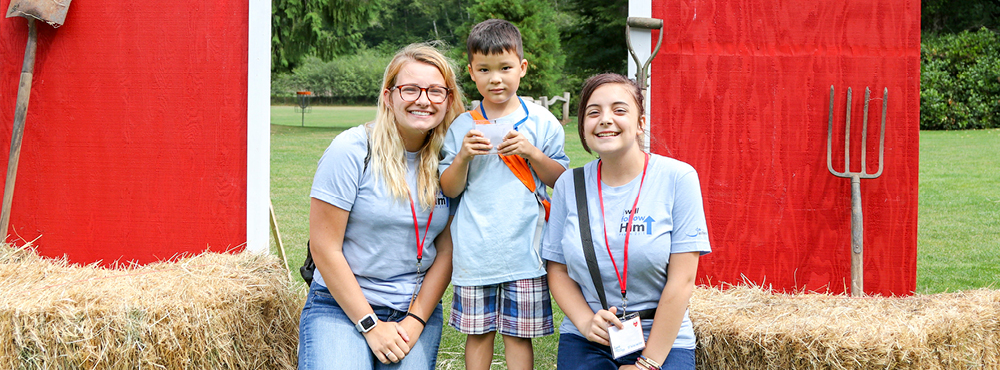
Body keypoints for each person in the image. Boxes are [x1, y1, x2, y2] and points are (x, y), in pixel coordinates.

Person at [298, 43, 465, 370]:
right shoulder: (351, 150)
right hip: (341, 306)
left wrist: (415, 321)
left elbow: (446, 252)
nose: (423, 100)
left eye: (435, 91)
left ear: (448, 100)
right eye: (410, 89)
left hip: (414, 310)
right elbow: (324, 247)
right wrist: (371, 326)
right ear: (388, 96)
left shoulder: (452, 162)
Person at [542, 73, 712, 370]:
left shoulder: (678, 178)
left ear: (641, 123)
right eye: (593, 112)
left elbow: (682, 281)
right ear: (583, 126)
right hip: (589, 338)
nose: (605, 119)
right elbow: (556, 269)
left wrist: (648, 362)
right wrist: (584, 322)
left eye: (619, 110)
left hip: (662, 340)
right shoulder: (569, 184)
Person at [438, 18, 569, 370]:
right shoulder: (462, 126)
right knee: (477, 334)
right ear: (471, 73)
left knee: (517, 335)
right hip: (475, 250)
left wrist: (532, 153)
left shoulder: (541, 122)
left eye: (505, 68)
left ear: (522, 68)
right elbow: (449, 188)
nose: (496, 78)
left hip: (525, 249)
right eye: (485, 69)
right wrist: (464, 155)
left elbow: (561, 180)